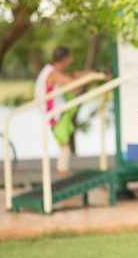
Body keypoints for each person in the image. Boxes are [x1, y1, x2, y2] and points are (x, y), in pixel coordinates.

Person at [34, 46, 95, 178]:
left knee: (64, 148)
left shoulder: (51, 70)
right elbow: (71, 83)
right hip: (55, 116)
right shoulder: (52, 74)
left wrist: (93, 73)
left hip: (57, 112)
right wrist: (91, 77)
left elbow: (73, 76)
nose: (70, 62)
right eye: (70, 59)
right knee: (65, 149)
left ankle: (64, 175)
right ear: (66, 59)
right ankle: (63, 177)